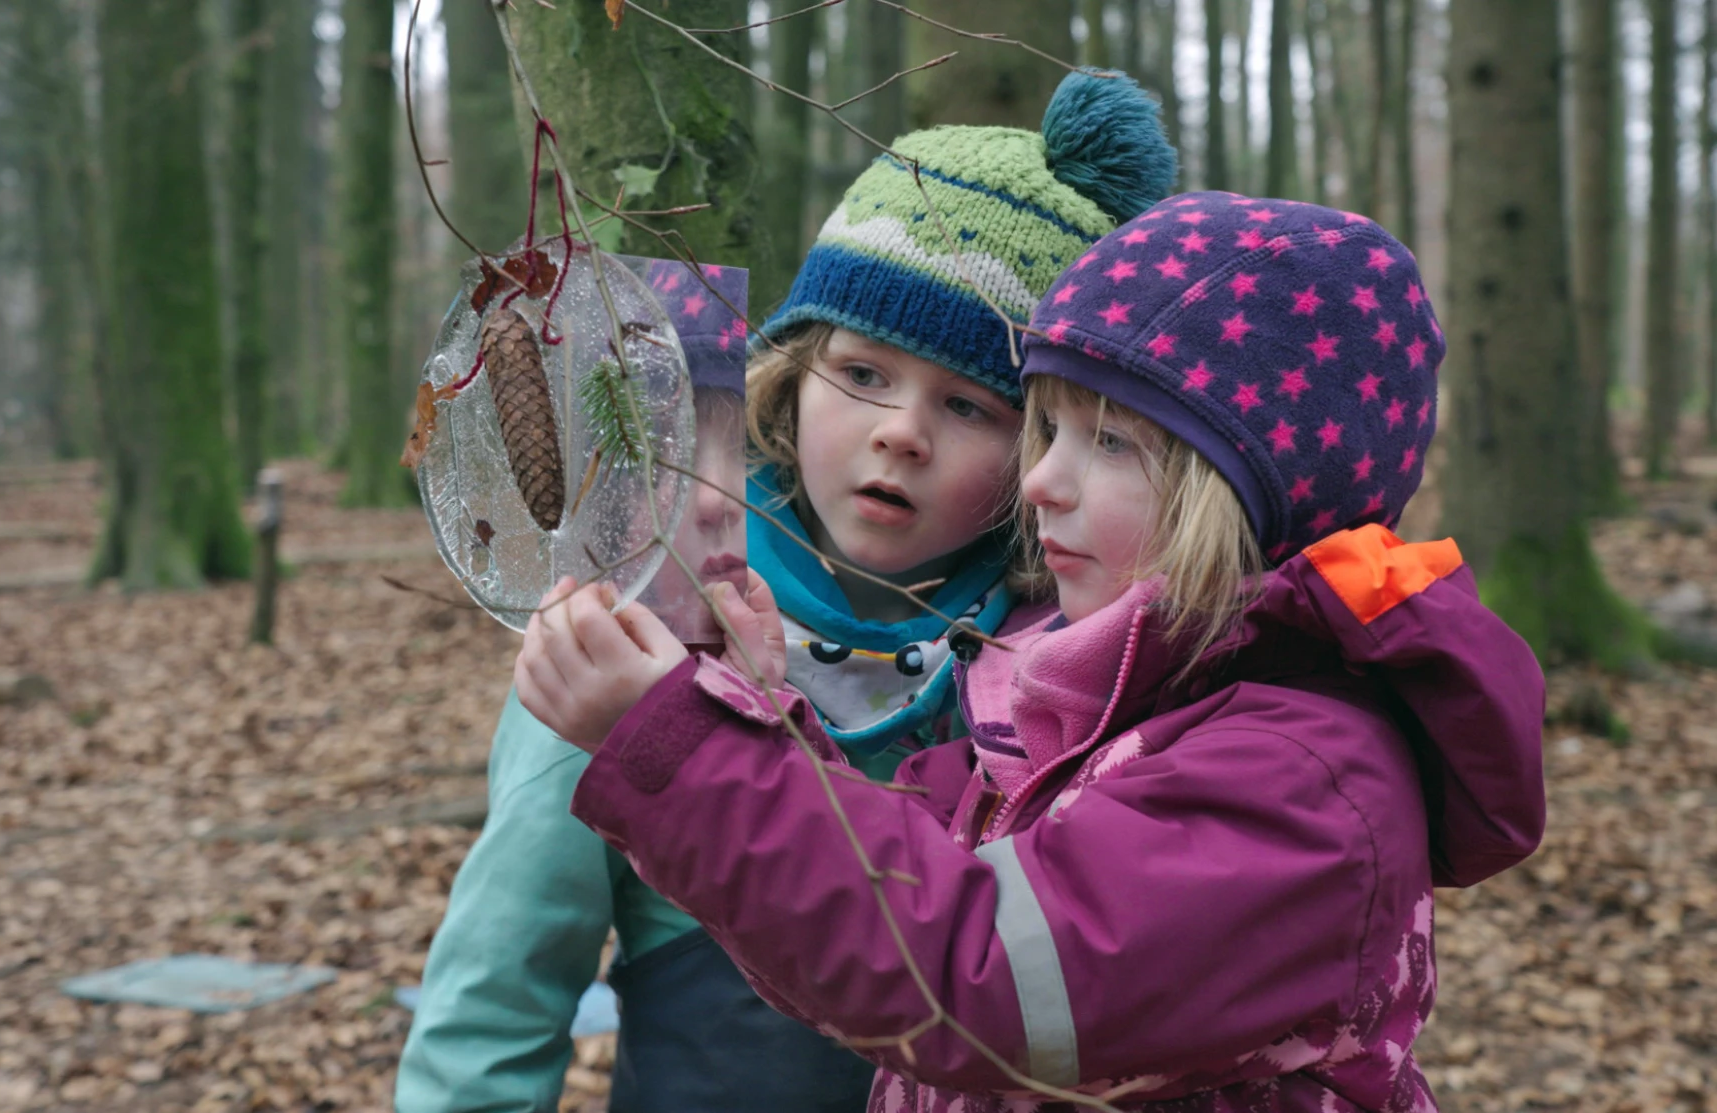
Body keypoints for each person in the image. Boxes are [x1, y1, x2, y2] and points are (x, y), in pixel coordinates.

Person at [516, 192, 1548, 1112]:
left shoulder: (1304, 777)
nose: (1041, 483)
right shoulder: (1100, 701)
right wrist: (749, 711)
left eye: (1108, 442)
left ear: (1244, 494)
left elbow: (969, 985)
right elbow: (898, 898)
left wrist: (680, 752)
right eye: (1045, 432)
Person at [395, 70, 1179, 1113]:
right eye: (862, 375)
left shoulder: (1068, 669)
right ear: (793, 374)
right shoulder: (655, 615)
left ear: (1042, 449)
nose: (902, 430)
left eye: (968, 404)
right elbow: (501, 984)